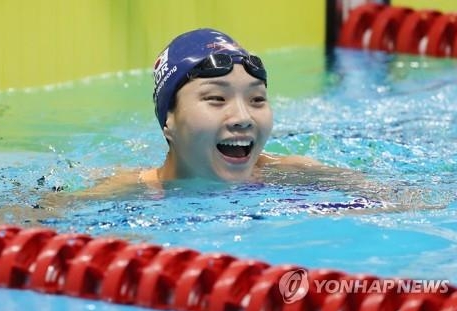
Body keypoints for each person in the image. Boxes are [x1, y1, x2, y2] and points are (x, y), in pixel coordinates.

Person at [76, 27, 337, 198]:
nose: (243, 118)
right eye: (216, 98)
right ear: (169, 120)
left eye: (257, 99)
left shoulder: (299, 176)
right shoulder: (125, 192)